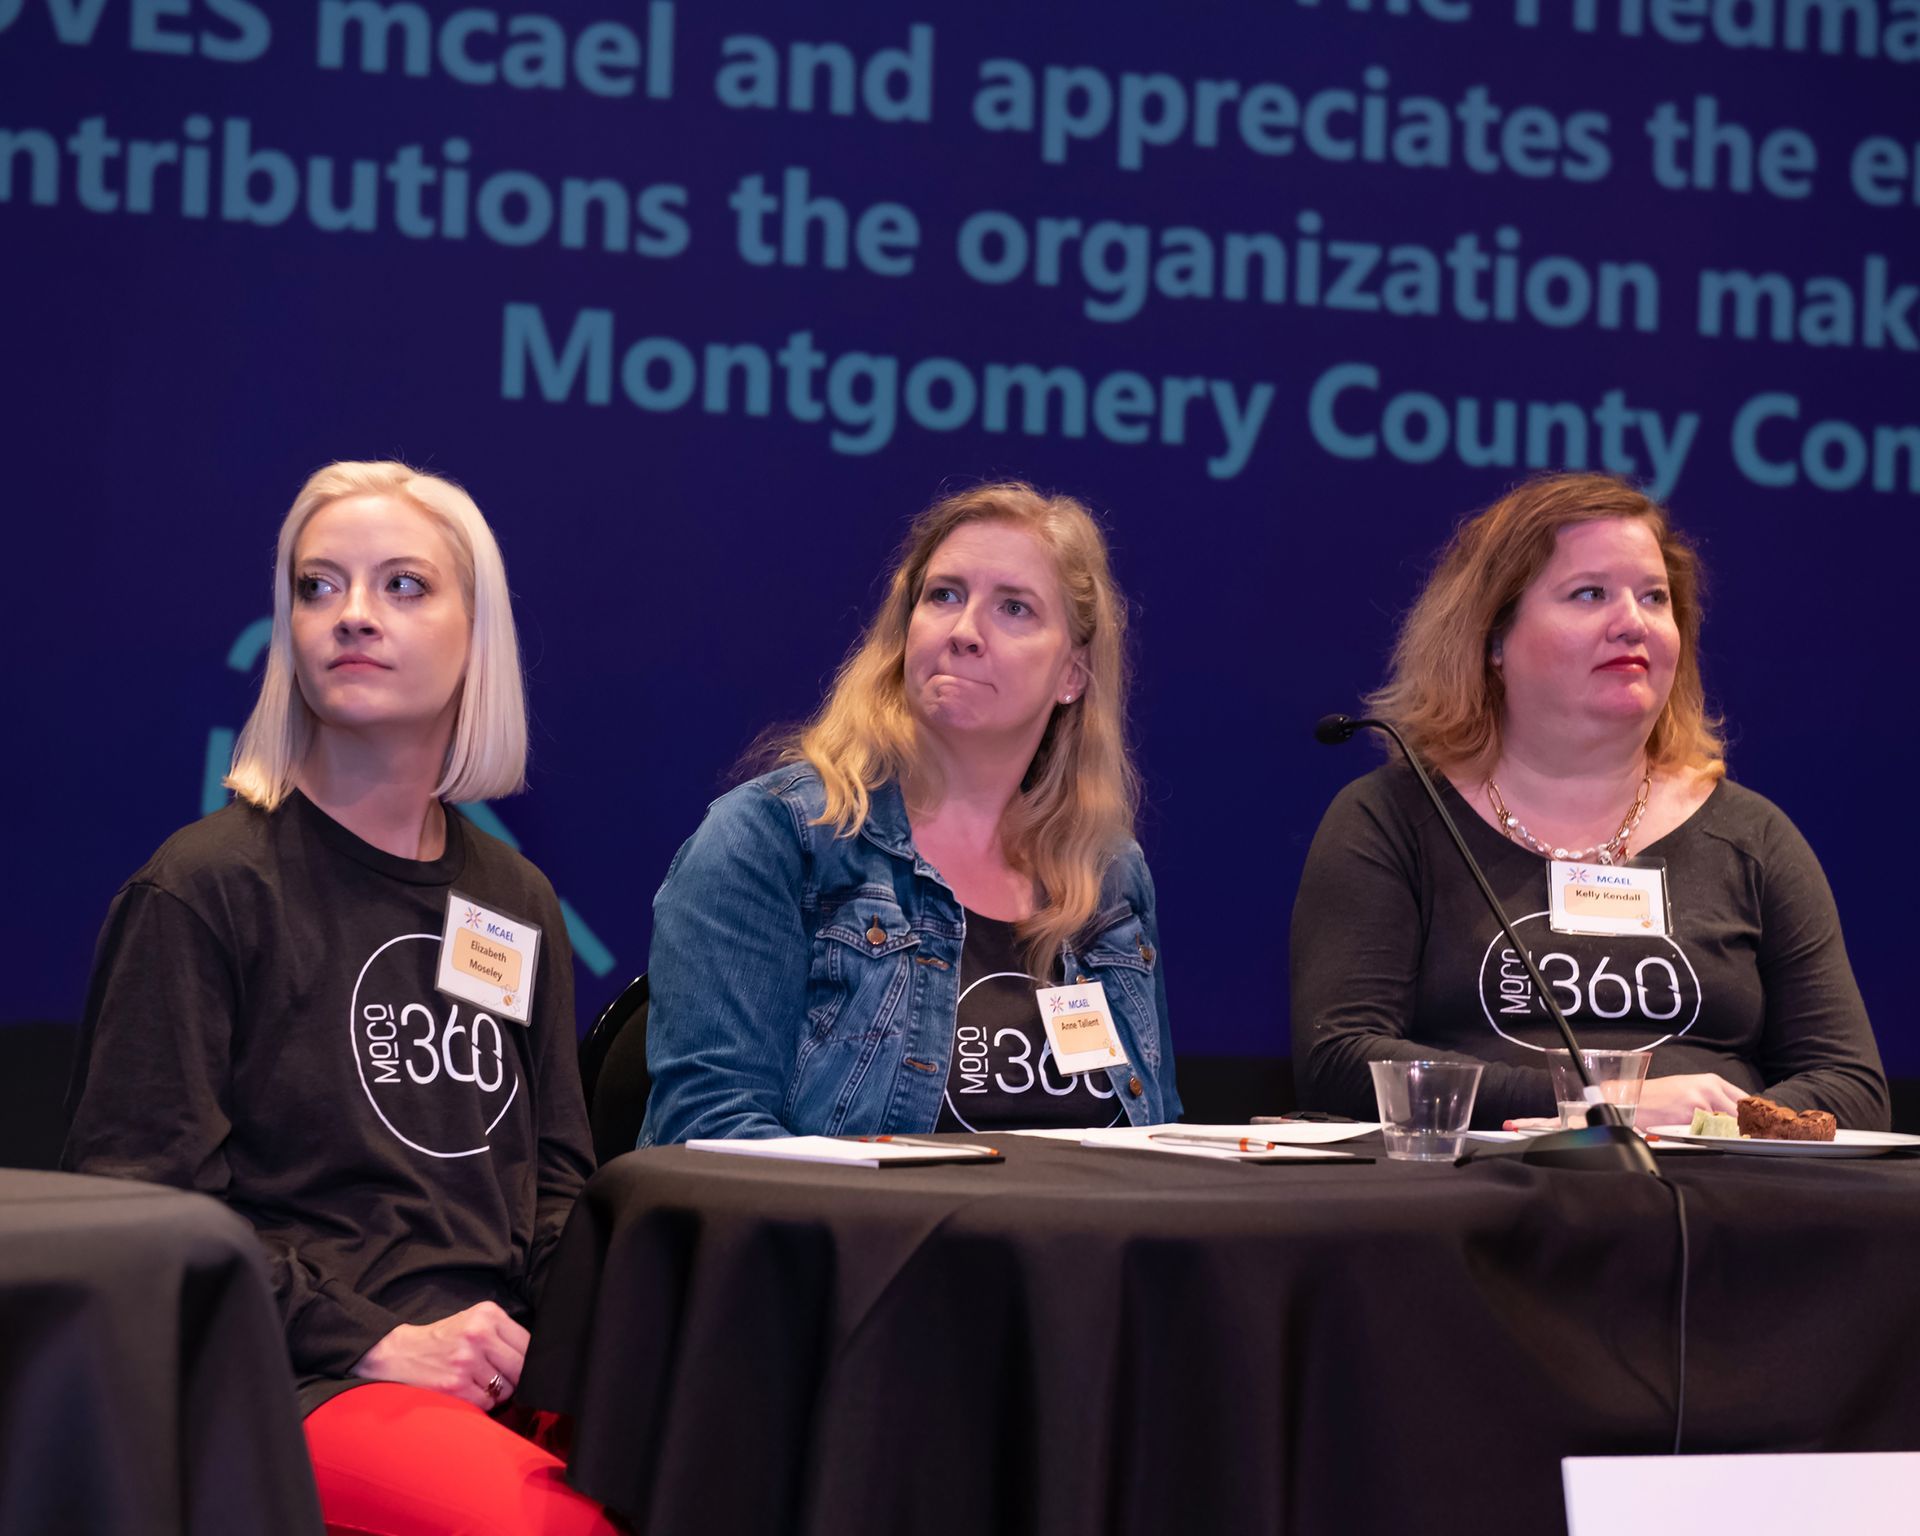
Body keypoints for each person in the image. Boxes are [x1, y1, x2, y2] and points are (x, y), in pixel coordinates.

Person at [63, 462, 618, 1535]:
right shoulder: (204, 888)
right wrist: (375, 1342)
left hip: (493, 1362)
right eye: (318, 587)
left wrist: (575, 1343)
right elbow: (145, 1213)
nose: (352, 615)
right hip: (297, 1372)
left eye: (403, 585)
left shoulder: (515, 899)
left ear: (477, 633)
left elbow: (554, 1184)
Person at [1291, 472, 1888, 1131]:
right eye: (1590, 593)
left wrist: (1717, 1123)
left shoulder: (1753, 838)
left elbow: (1852, 1087)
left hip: (1713, 1188)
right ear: (1493, 637)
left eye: (1654, 597)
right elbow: (1341, 1061)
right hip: (1477, 1189)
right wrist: (1604, 1105)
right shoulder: (1393, 821)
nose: (1632, 623)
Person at [641, 481, 1179, 1145]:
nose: (965, 632)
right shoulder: (775, 839)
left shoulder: (1109, 875)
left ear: (1072, 673)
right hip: (854, 1219)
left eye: (1014, 608)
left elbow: (1160, 1137)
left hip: (1087, 1218)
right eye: (944, 595)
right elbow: (709, 1134)